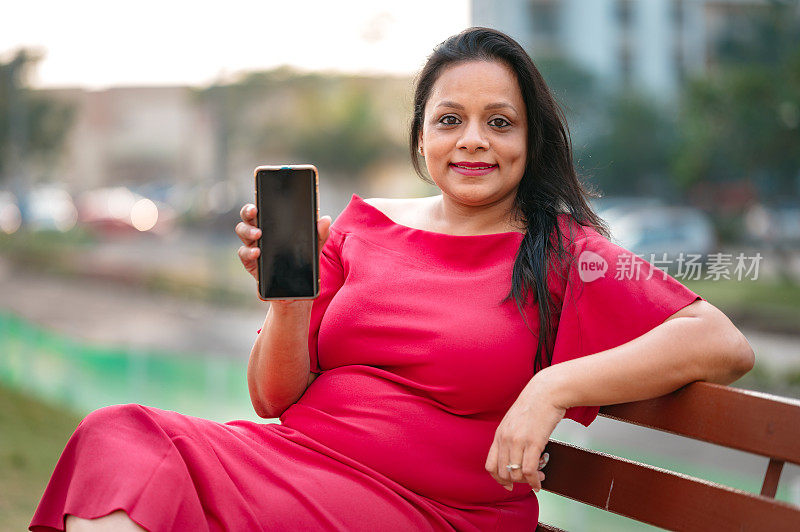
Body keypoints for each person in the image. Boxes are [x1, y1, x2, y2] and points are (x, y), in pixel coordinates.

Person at [30, 27, 754, 532]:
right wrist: (292, 300)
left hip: (428, 510)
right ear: (421, 137)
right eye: (450, 119)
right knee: (117, 438)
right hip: (299, 463)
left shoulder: (562, 251)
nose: (473, 139)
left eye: (500, 122)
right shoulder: (361, 226)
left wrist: (552, 388)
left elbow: (718, 340)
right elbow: (273, 397)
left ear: (530, 143)